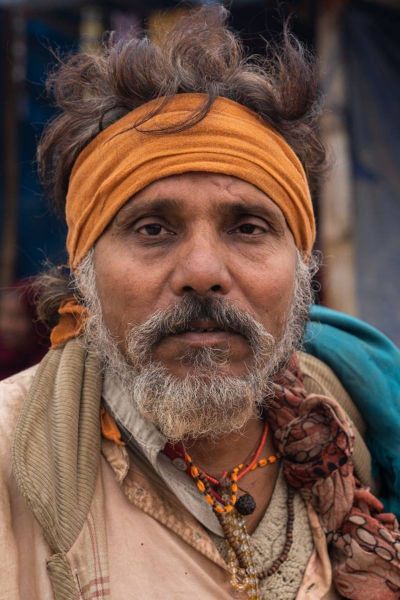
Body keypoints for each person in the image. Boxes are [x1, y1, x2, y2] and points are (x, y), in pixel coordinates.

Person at [1, 7, 399, 600]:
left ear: (303, 266)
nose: (203, 274)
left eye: (248, 227)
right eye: (153, 229)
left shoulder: (354, 416)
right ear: (82, 270)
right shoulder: (12, 461)